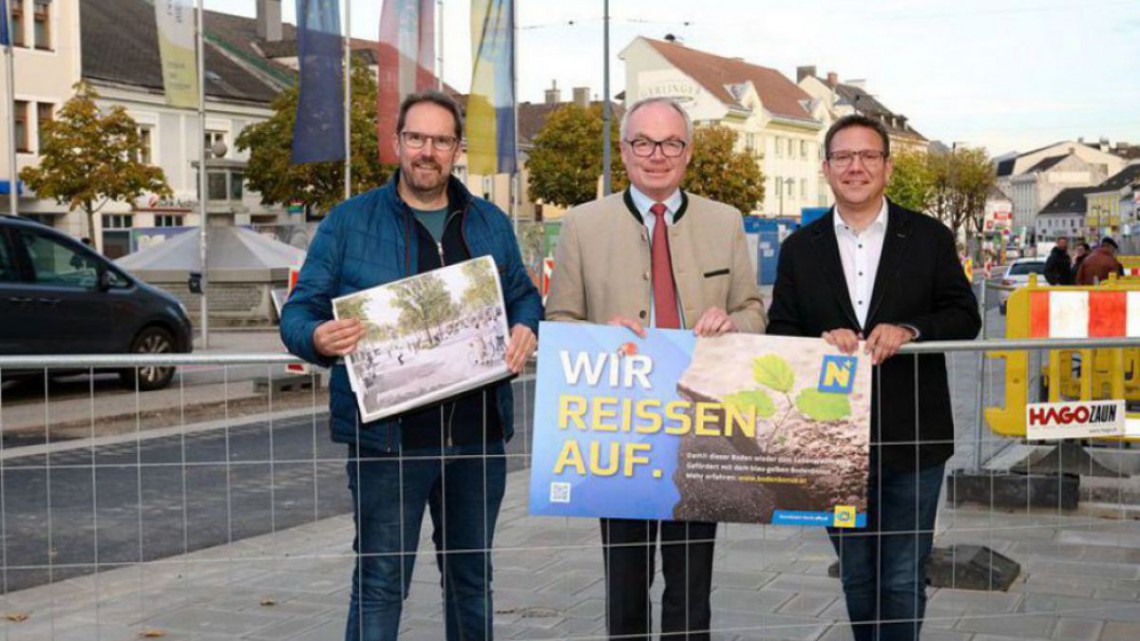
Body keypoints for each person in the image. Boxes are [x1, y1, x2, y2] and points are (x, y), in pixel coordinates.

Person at [280, 90, 542, 641]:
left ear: (456, 150)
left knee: (472, 581)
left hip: (476, 438)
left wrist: (526, 324)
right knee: (380, 580)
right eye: (417, 138)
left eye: (441, 140)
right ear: (397, 144)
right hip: (387, 443)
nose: (428, 151)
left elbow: (522, 295)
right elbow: (299, 311)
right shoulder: (349, 222)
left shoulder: (489, 221)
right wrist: (318, 339)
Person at [545, 96, 767, 641]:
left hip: (700, 429)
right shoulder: (581, 225)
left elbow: (755, 311)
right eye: (643, 142)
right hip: (620, 434)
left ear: (688, 152)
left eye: (670, 143)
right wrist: (601, 339)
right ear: (623, 151)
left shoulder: (725, 222)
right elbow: (561, 322)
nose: (657, 155)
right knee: (625, 583)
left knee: (692, 586)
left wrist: (733, 323)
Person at [767, 114, 980, 641]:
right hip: (831, 441)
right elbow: (781, 327)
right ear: (826, 168)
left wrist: (911, 328)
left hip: (914, 435)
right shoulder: (801, 247)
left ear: (886, 166)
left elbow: (964, 316)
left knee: (904, 576)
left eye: (867, 156)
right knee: (858, 576)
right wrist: (816, 341)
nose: (855, 167)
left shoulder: (928, 237)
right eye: (843, 157)